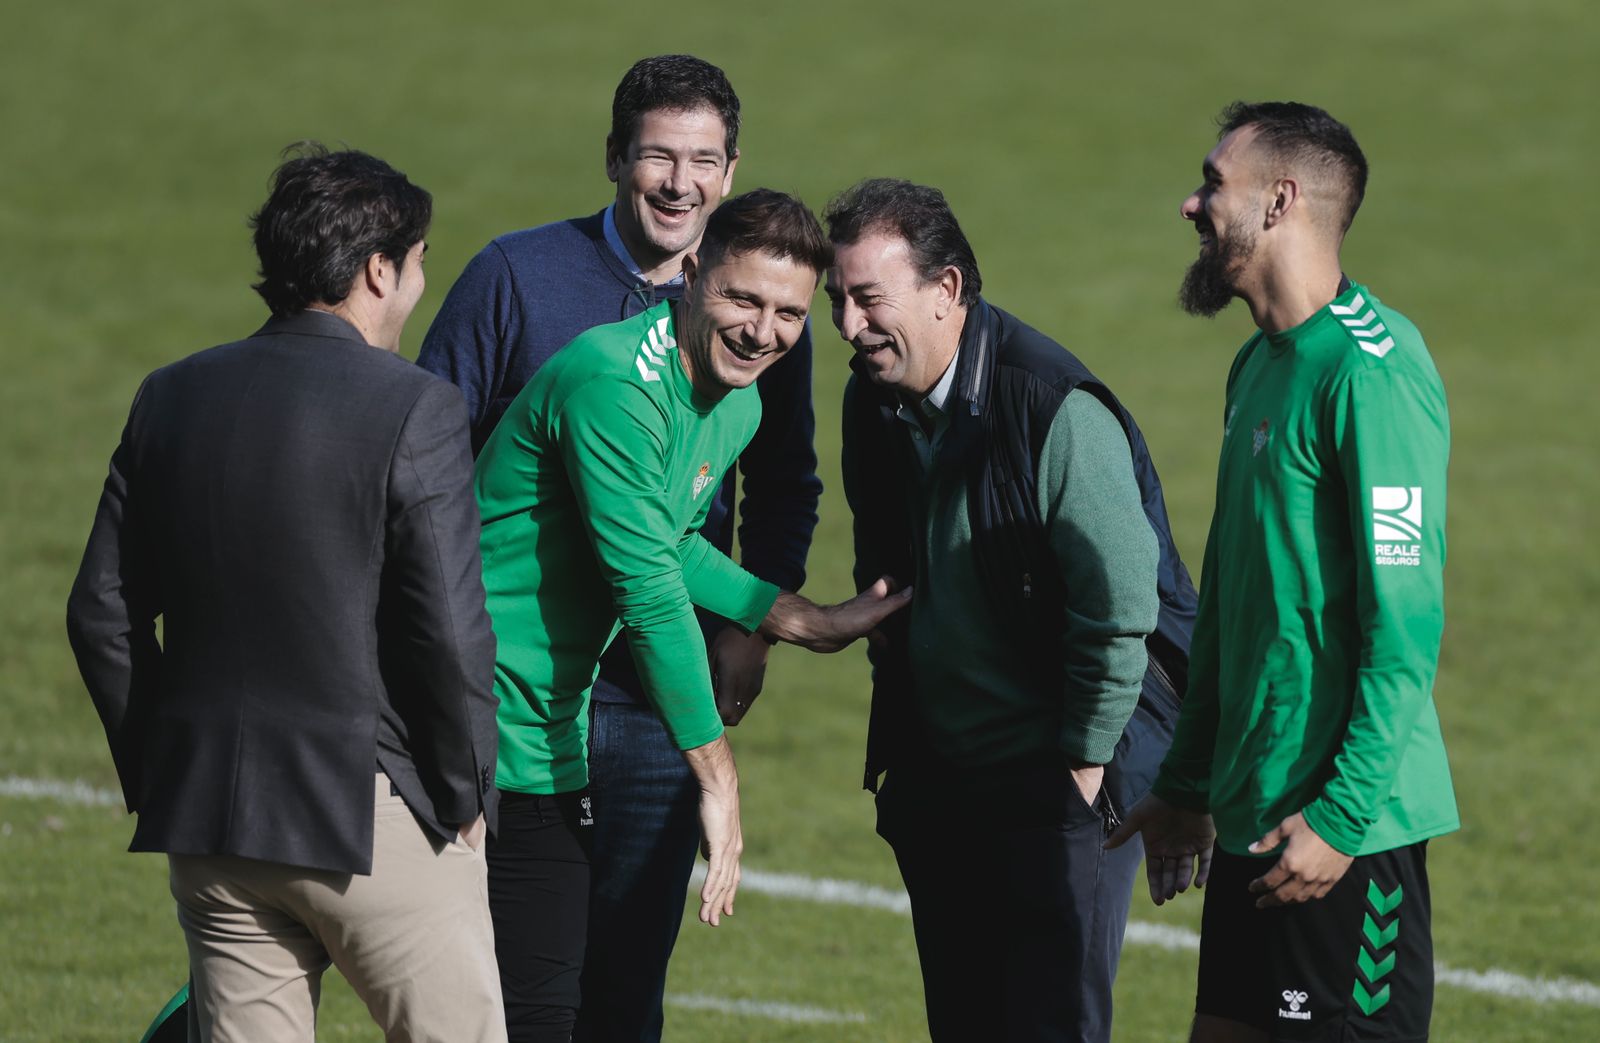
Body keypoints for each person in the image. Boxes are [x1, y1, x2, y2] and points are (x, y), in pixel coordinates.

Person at [416, 55, 821, 1041]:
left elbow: (781, 482)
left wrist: (755, 625)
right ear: (615, 158)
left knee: (623, 978)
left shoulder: (760, 307)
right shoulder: (515, 276)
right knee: (440, 962)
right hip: (511, 689)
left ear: (730, 172)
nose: (680, 181)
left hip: (653, 694)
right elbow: (422, 467)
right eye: (658, 156)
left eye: (704, 159)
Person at [66, 145, 505, 1043]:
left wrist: (162, 766)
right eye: (420, 262)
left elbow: (99, 611)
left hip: (213, 828)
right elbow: (450, 635)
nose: (422, 283)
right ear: (379, 269)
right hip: (367, 814)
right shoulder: (416, 405)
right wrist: (465, 795)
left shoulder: (170, 394)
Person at [472, 187, 909, 1042]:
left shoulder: (737, 398)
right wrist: (718, 774)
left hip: (539, 735)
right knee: (418, 977)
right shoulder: (614, 385)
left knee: (546, 1005)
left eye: (788, 313)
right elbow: (645, 590)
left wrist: (793, 618)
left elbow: (665, 539)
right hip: (468, 723)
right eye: (743, 298)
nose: (763, 330)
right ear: (692, 273)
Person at [1107, 102, 1459, 1042]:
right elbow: (1230, 607)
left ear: (1281, 201)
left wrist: (1341, 821)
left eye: (1215, 183)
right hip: (1254, 812)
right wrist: (1186, 784)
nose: (1192, 203)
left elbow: (1406, 623)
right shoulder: (1257, 369)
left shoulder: (1373, 373)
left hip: (1347, 833)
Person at [827, 177, 1197, 1042]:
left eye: (867, 299)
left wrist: (1079, 767)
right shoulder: (871, 396)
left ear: (946, 290)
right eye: (836, 300)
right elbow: (887, 573)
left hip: (1060, 776)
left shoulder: (1055, 409)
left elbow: (1120, 610)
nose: (846, 325)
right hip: (946, 777)